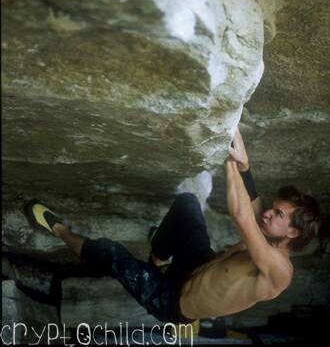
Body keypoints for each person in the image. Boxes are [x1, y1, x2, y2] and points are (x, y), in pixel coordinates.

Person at [25, 128, 321, 324]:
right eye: (274, 209)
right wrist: (244, 164)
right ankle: (158, 258)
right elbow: (254, 203)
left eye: (279, 215)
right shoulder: (270, 234)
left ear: (293, 233)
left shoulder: (279, 272)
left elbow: (244, 216)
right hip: (197, 266)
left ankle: (58, 229)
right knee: (188, 205)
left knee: (110, 253)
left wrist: (228, 161)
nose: (269, 213)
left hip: (172, 302)